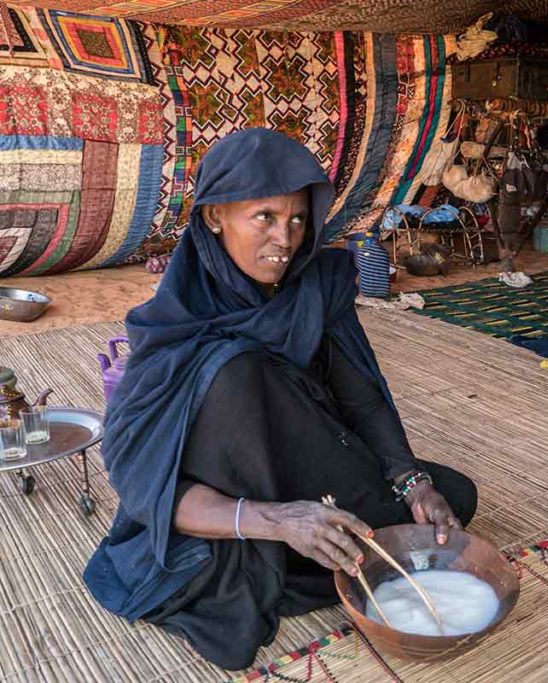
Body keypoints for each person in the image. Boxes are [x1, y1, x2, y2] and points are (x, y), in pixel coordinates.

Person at [84, 128, 477, 670]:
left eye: (296, 219)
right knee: (236, 369)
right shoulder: (175, 324)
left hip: (307, 473)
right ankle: (283, 552)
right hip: (233, 508)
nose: (286, 239)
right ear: (214, 216)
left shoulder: (315, 286)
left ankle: (307, 548)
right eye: (264, 217)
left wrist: (414, 482)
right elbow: (138, 483)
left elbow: (361, 401)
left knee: (451, 500)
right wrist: (277, 520)